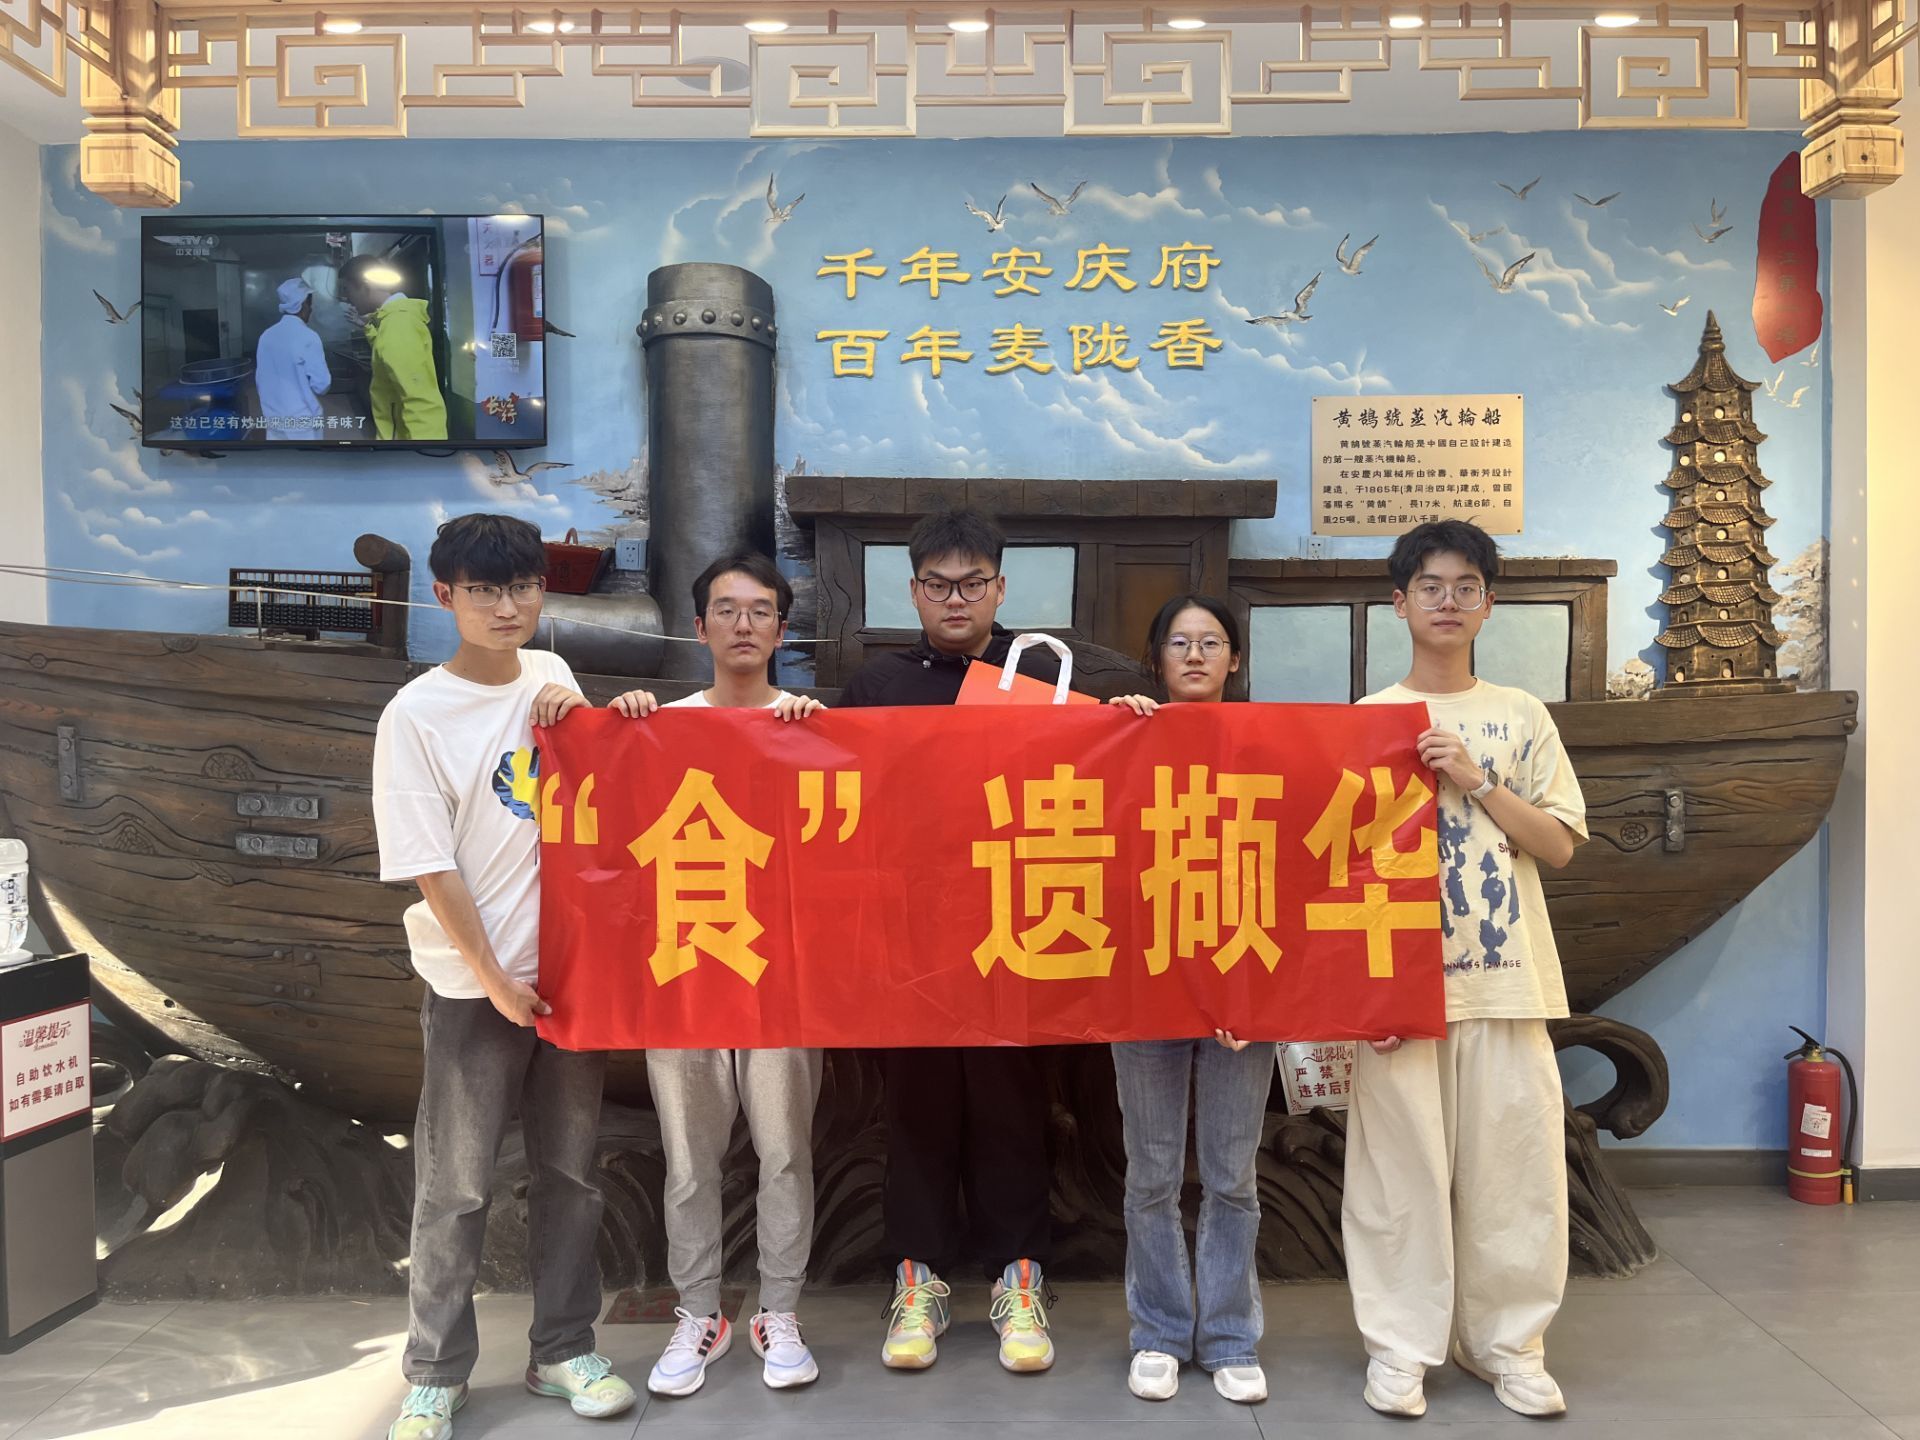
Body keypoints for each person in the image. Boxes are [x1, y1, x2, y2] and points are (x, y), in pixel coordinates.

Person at [372, 513, 644, 1440]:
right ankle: (434, 1372)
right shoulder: (415, 715)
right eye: (484, 590)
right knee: (456, 1184)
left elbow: (597, 796)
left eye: (522, 586)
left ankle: (563, 1349)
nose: (506, 607)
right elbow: (429, 863)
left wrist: (618, 719)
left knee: (572, 1174)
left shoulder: (552, 674)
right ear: (444, 595)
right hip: (471, 988)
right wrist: (491, 978)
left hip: (568, 979)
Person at [1340, 520, 1587, 1420]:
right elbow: (1338, 866)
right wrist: (1361, 995)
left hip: (1506, 977)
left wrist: (1478, 781)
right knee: (1395, 1175)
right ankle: (1400, 1348)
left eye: (1467, 587)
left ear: (1489, 604)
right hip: (1400, 986)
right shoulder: (1367, 719)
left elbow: (1559, 845)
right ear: (1398, 603)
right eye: (1431, 587)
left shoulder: (1521, 715)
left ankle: (1510, 1347)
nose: (1448, 602)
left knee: (1515, 1172)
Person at [839, 506, 1062, 1376]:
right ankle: (917, 1282)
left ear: (1001, 588)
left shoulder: (1043, 675)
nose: (956, 599)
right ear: (914, 591)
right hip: (914, 939)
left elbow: (1098, 787)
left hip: (1019, 931)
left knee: (1014, 1111)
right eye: (939, 584)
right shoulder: (876, 685)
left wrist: (1127, 719)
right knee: (917, 1113)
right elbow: (837, 801)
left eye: (973, 583)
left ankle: (1020, 1281)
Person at [627, 553, 829, 1399]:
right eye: (726, 609)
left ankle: (778, 1311)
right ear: (699, 626)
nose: (743, 624)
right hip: (686, 972)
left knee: (785, 1155)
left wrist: (822, 743)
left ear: (781, 630)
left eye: (760, 611)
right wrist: (619, 727)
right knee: (688, 1161)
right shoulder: (658, 726)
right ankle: (699, 1312)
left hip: (781, 980)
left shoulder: (811, 726)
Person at [1103, 595, 1271, 1406]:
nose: (1196, 655)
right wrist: (1111, 731)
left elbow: (1290, 871)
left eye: (1211, 642)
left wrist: (1259, 992)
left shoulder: (1267, 744)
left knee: (1233, 1176)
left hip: (1243, 983)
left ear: (1234, 659)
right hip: (1146, 984)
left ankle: (1231, 1335)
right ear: (1156, 659)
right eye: (1179, 642)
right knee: (1152, 1175)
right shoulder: (1125, 735)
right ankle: (1161, 1333)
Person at [340, 252, 449, 442]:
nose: (347, 298)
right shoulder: (393, 320)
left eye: (347, 290)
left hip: (407, 446)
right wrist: (367, 327)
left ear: (364, 286)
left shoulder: (398, 324)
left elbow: (419, 401)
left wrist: (425, 452)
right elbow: (387, 352)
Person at [254, 277, 331, 441]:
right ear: (303, 305)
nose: (311, 309)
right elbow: (321, 385)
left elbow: (261, 379)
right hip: (303, 422)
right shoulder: (309, 337)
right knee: (307, 458)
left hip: (274, 418)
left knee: (283, 457)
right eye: (310, 304)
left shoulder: (266, 336)